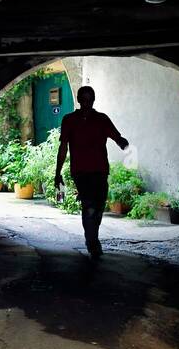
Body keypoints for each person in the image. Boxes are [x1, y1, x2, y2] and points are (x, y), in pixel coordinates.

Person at [53, 86, 129, 259]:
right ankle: (92, 242)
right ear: (79, 100)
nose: (87, 103)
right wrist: (57, 173)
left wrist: (123, 143)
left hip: (101, 171)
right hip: (80, 171)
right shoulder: (69, 120)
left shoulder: (102, 119)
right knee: (89, 206)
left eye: (90, 99)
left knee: (99, 207)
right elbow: (63, 147)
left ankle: (92, 238)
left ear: (94, 100)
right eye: (84, 99)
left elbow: (117, 137)